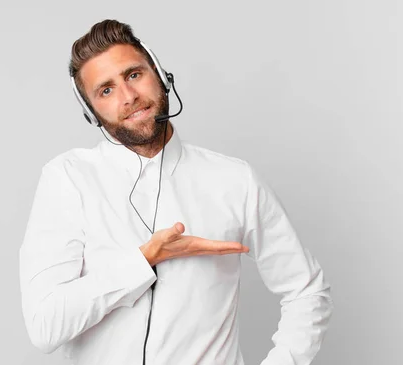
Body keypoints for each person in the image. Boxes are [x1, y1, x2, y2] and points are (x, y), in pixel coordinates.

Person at [19, 19, 333, 365]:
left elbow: (306, 291)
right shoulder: (68, 179)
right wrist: (144, 259)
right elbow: (45, 326)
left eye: (134, 75)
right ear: (91, 112)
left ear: (160, 74)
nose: (128, 97)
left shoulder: (234, 180)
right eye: (105, 91)